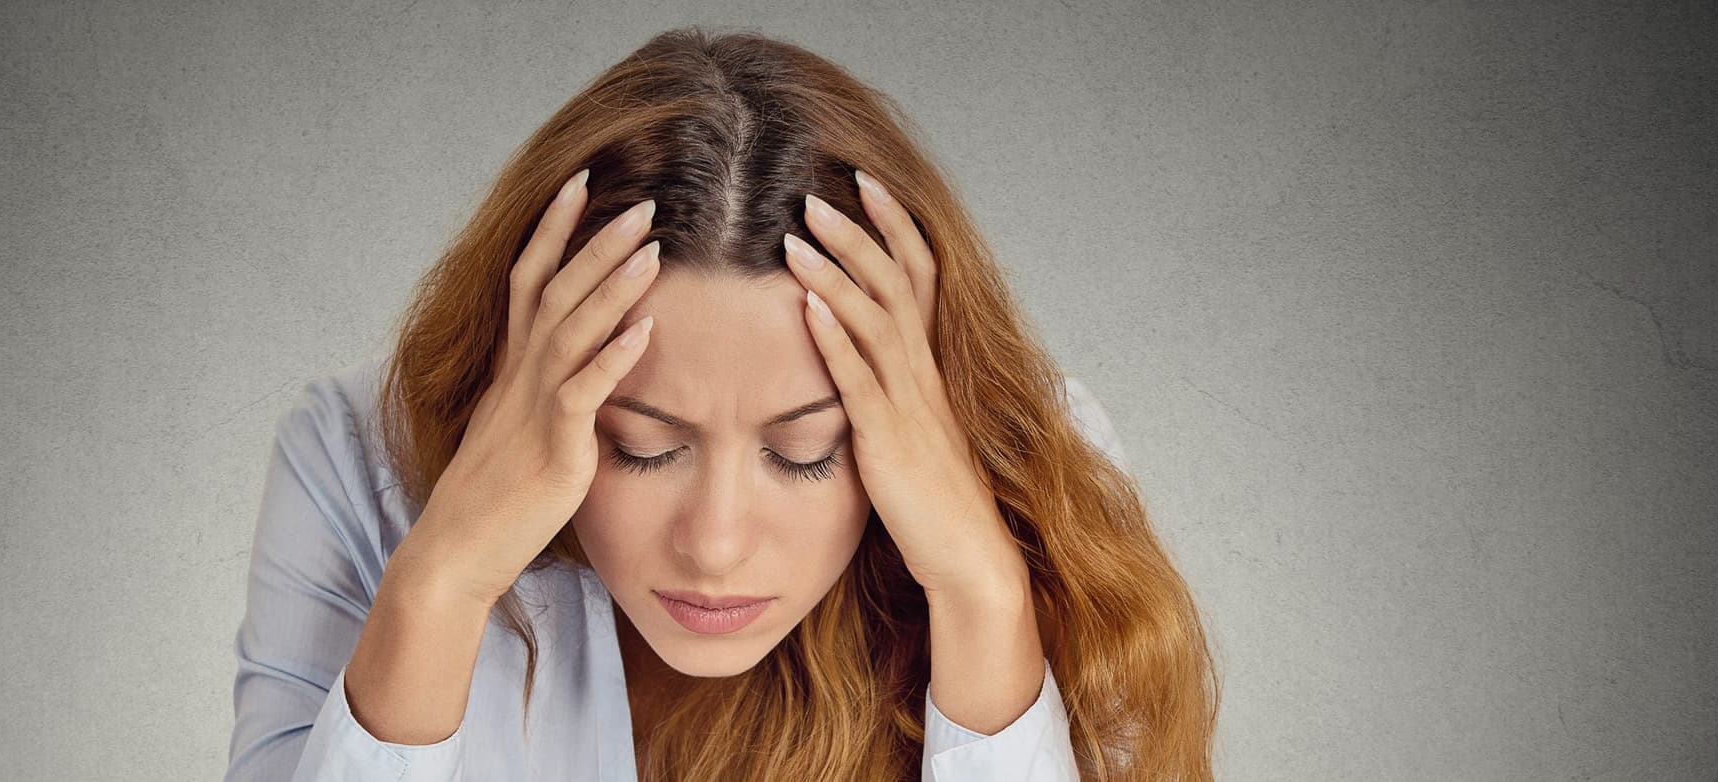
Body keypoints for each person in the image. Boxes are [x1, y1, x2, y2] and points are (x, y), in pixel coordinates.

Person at [226, 27, 1218, 782]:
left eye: (803, 450)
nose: (715, 542)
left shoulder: (1039, 471)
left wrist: (976, 584)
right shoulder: (354, 459)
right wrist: (439, 578)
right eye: (643, 445)